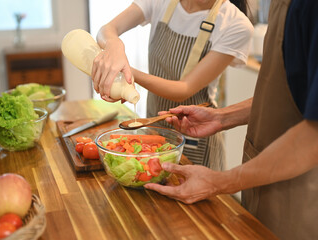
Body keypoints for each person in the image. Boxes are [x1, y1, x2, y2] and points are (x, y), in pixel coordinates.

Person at [144, 0, 318, 239]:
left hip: (299, 192)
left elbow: (313, 135)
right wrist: (222, 117)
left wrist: (222, 181)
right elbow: (289, 96)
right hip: (260, 176)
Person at [91, 0, 253, 170]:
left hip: (195, 138)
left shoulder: (236, 24)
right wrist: (114, 46)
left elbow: (183, 89)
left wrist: (125, 71)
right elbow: (106, 30)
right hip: (153, 128)